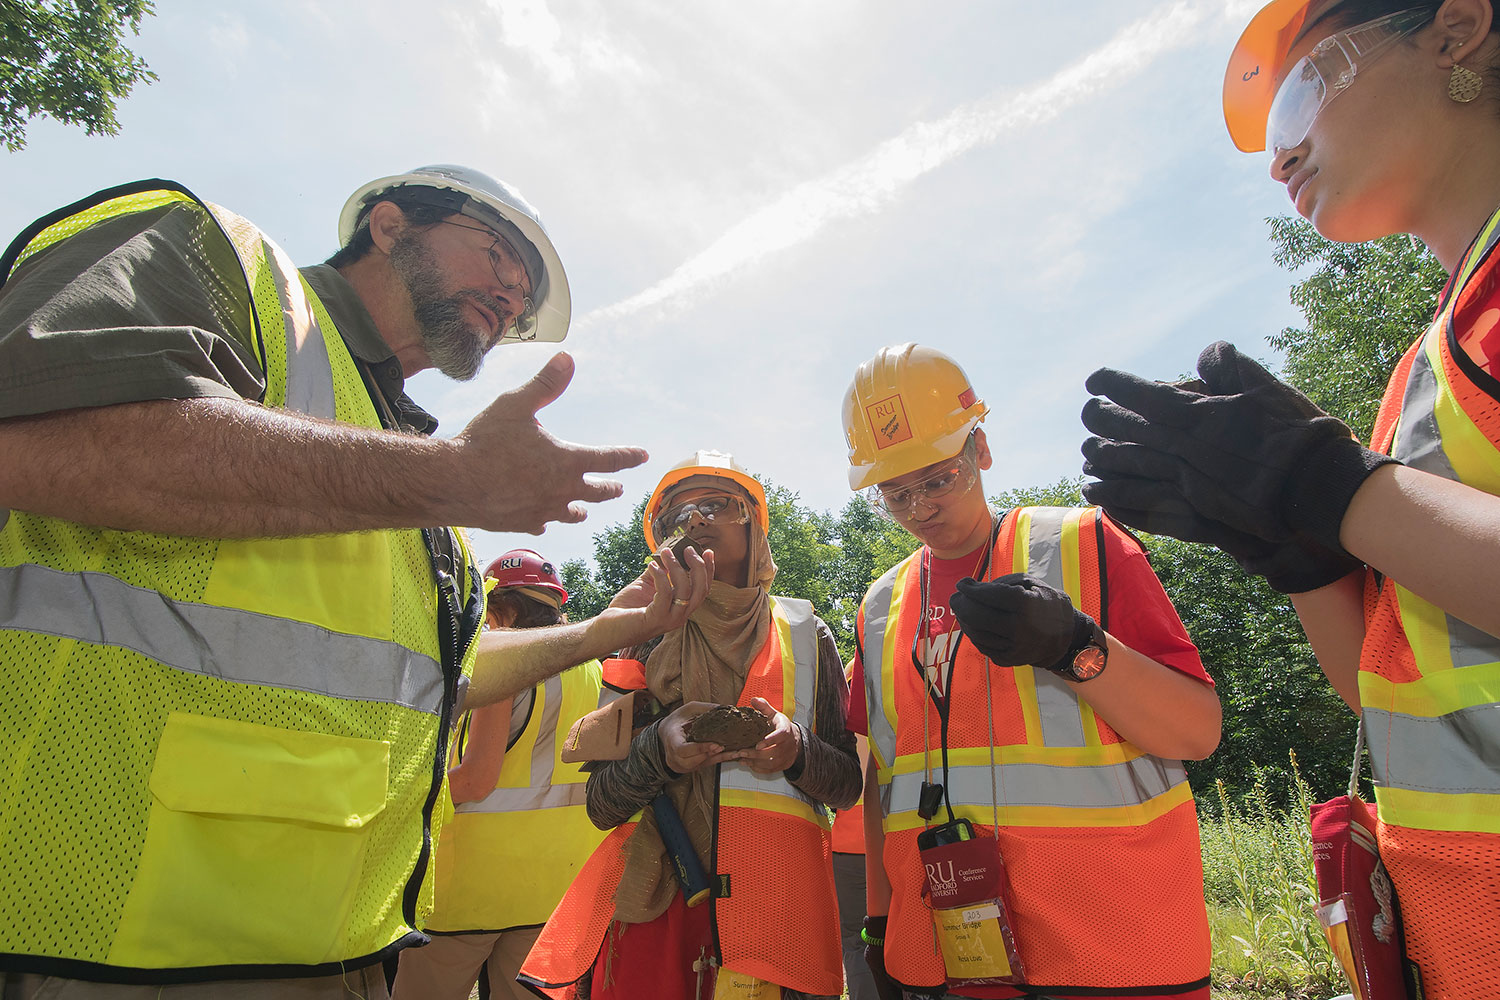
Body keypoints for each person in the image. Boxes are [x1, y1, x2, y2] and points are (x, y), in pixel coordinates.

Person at [0, 166, 710, 998]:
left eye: (523, 296)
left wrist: (604, 633)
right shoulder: (213, 253)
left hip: (335, 951)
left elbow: (436, 677)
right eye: (498, 256)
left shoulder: (407, 472)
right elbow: (34, 433)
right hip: (109, 945)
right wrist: (452, 479)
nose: (513, 296)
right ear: (387, 225)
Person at [1078, 2, 1500, 994]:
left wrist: (1338, 490)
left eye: (1302, 88)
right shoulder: (1426, 364)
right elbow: (1385, 689)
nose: (1279, 160)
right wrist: (1296, 550)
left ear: (1456, 28)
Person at [844, 345, 1221, 1000]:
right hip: (942, 956)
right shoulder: (880, 608)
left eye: (938, 479)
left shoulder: (1084, 547)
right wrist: (880, 921)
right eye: (896, 493)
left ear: (980, 449)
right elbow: (883, 782)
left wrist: (1077, 648)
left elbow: (1197, 733)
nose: (920, 507)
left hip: (1111, 953)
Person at [520, 451, 862, 1000]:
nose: (695, 520)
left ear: (754, 526)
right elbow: (602, 803)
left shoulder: (807, 633)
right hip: (659, 911)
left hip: (777, 916)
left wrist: (795, 749)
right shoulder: (639, 636)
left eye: (715, 505)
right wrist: (658, 750)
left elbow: (847, 784)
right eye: (677, 515)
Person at [392, 550, 618, 1000]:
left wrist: (401, 797)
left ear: (506, 610)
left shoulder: (510, 665)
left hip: (468, 894)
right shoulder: (598, 671)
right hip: (555, 889)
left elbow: (477, 780)